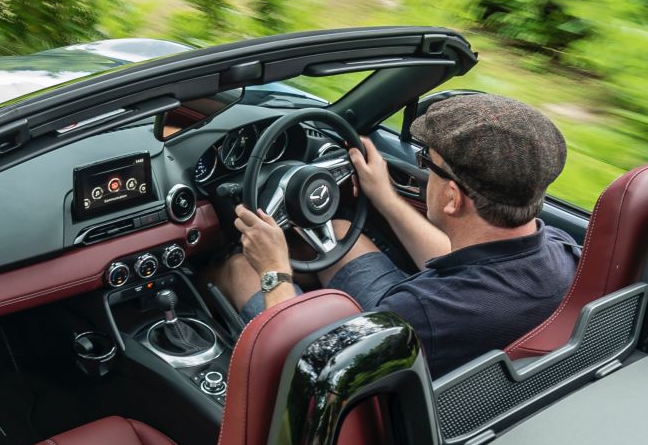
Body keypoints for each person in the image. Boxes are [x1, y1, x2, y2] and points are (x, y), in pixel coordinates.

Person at [212, 93, 579, 377]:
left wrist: (275, 270)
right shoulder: (561, 250)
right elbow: (453, 260)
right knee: (339, 233)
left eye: (427, 163)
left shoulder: (419, 312)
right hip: (449, 343)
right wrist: (385, 196)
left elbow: (313, 365)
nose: (424, 169)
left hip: (367, 362)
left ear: (452, 198)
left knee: (238, 268)